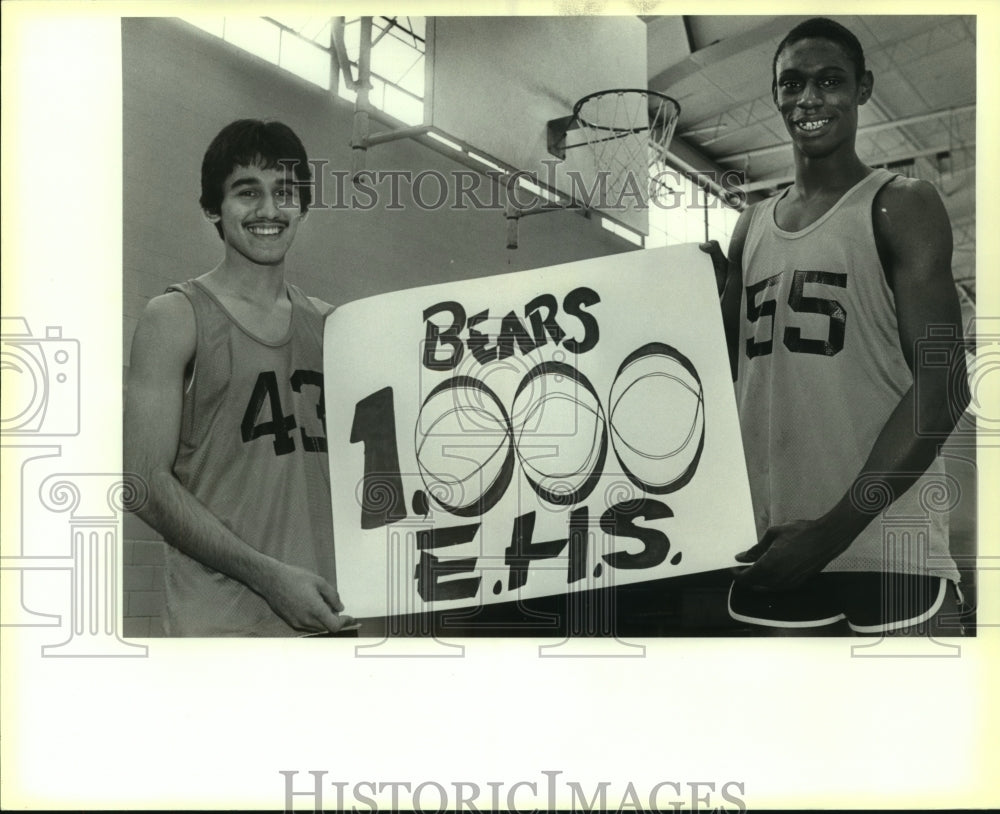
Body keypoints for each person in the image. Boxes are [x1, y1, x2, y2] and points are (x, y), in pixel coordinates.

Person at [701, 18, 969, 635]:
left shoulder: (901, 203)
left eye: (830, 81)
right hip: (767, 553)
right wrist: (700, 299)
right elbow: (724, 374)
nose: (809, 99)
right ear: (775, 95)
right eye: (791, 84)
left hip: (883, 557)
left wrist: (830, 533)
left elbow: (945, 383)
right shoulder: (750, 227)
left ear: (864, 88)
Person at [124, 119, 355, 636]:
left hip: (326, 619)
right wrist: (270, 578)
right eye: (247, 192)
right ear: (213, 207)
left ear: (303, 207)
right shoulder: (176, 317)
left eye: (285, 193)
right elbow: (141, 485)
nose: (269, 210)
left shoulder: (332, 326)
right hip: (220, 630)